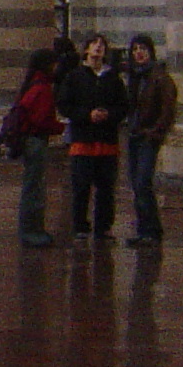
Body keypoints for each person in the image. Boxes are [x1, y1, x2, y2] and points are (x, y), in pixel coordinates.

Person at [58, 33, 130, 240]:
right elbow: (65, 105)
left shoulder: (112, 78)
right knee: (81, 185)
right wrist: (86, 115)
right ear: (86, 49)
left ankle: (103, 226)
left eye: (101, 45)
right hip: (83, 137)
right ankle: (80, 225)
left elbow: (123, 106)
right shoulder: (74, 76)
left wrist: (110, 115)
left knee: (106, 187)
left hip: (107, 138)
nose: (98, 48)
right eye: (94, 44)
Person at [0, 48, 64, 246]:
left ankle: (32, 229)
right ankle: (32, 231)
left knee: (33, 185)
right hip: (35, 141)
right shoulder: (42, 88)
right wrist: (61, 127)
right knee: (35, 187)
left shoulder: (33, 83)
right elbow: (40, 120)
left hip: (30, 140)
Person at [124, 34, 176, 244]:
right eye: (135, 49)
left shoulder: (160, 78)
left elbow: (168, 109)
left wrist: (155, 132)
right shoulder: (134, 78)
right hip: (134, 135)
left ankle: (150, 231)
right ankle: (146, 229)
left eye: (142, 48)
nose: (139, 53)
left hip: (147, 137)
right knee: (137, 185)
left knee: (143, 181)